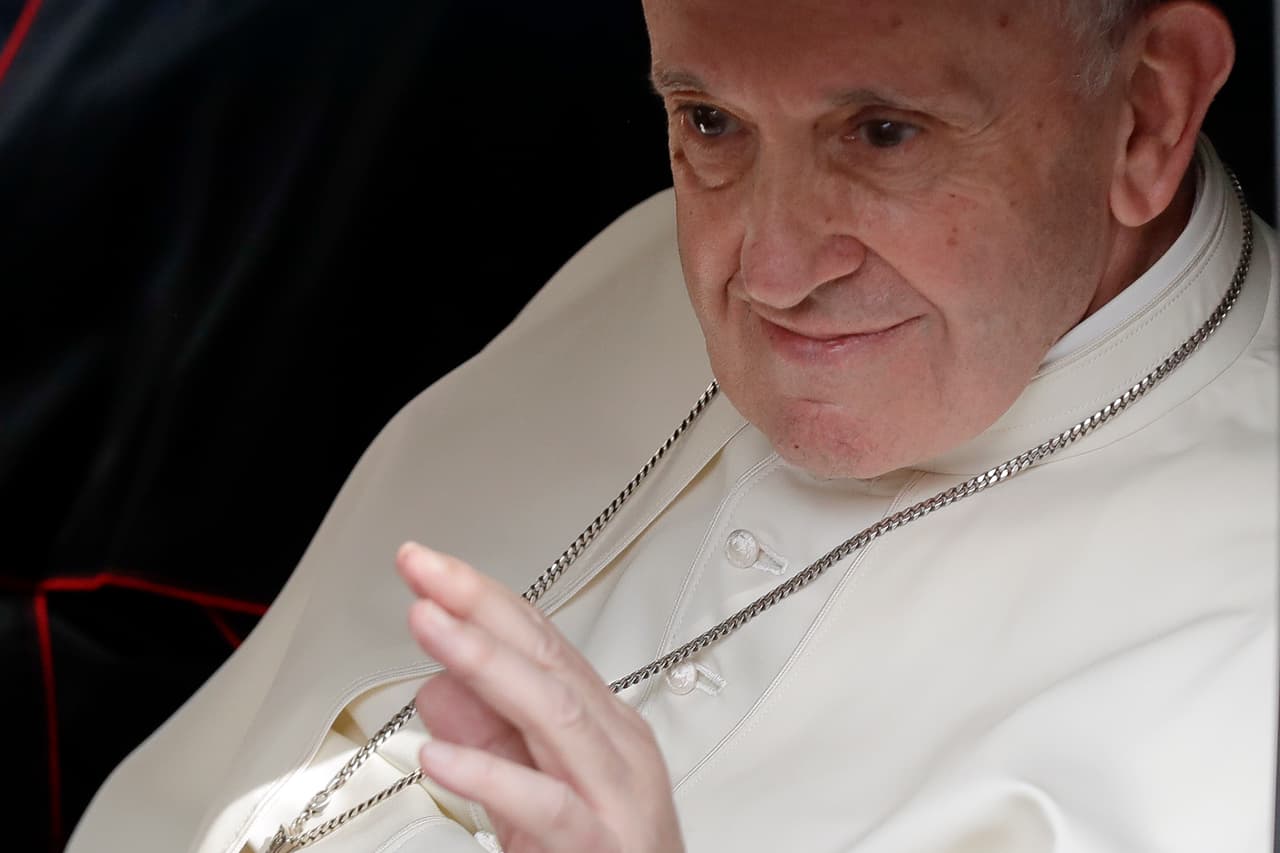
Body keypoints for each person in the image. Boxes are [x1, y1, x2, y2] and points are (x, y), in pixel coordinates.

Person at [68, 0, 1276, 851]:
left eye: (881, 134)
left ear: (1145, 114)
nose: (771, 269)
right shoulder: (640, 263)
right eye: (708, 122)